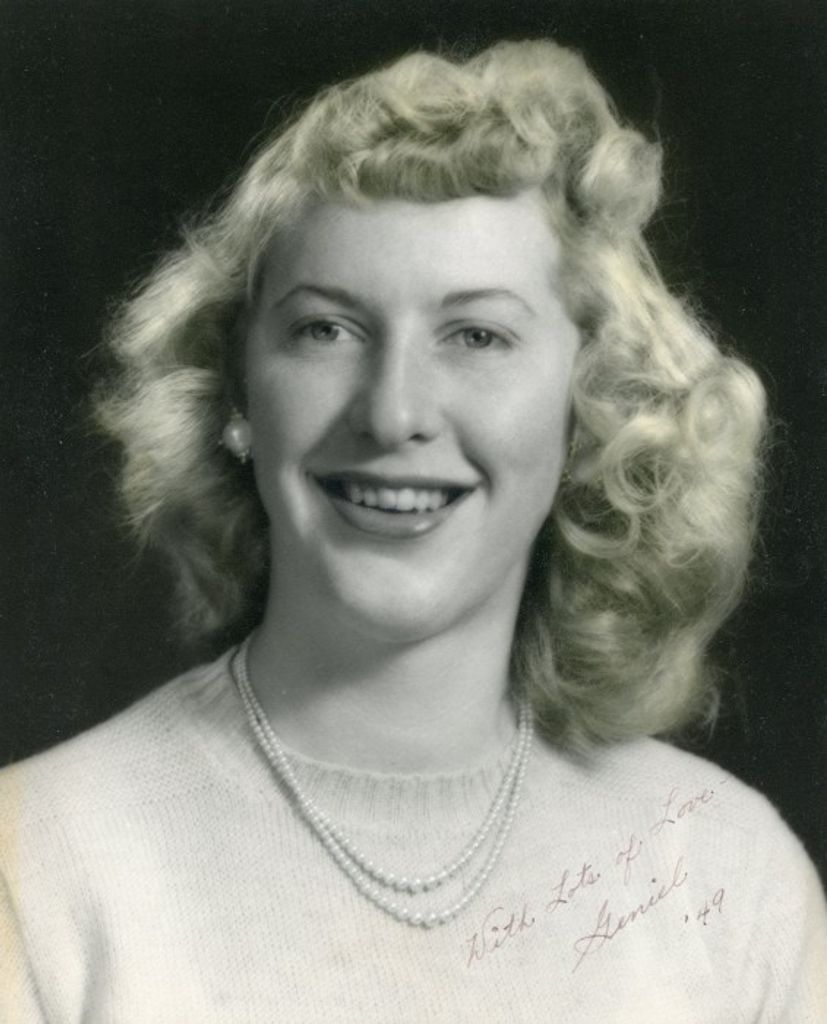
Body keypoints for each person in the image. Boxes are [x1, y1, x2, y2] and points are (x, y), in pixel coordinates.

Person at [1, 39, 825, 1023]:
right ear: (236, 392)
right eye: (325, 329)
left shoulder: (729, 879)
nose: (393, 415)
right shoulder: (40, 866)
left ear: (590, 405)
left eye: (475, 335)